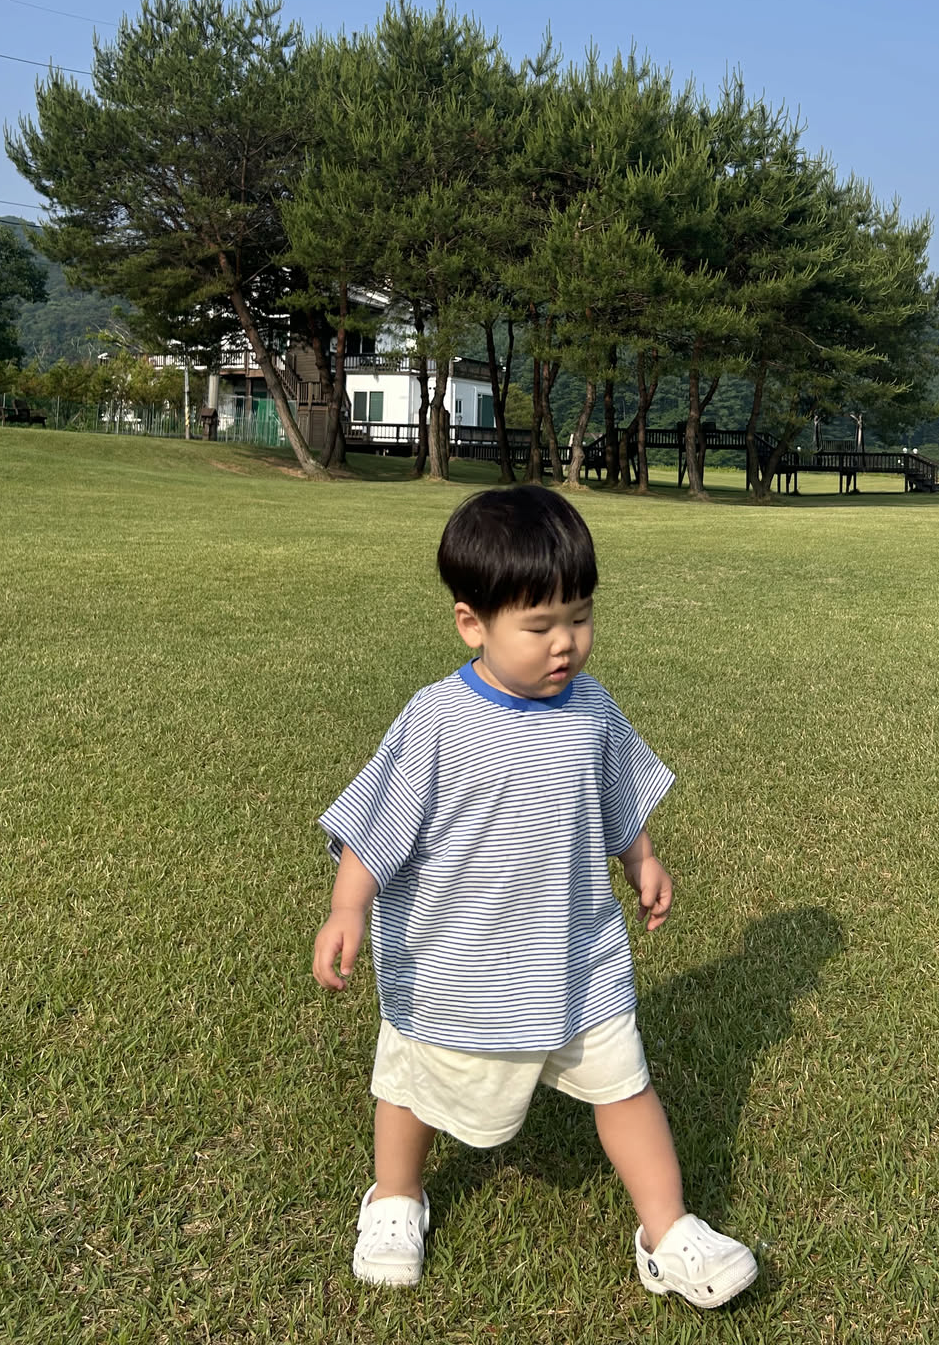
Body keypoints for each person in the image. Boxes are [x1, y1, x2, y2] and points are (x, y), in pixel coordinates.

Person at [313, 484, 758, 1308]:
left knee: (625, 1084)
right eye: (541, 625)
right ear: (472, 624)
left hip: (577, 961)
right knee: (413, 1082)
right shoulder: (437, 720)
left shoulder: (592, 710)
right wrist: (349, 907)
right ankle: (395, 1197)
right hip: (459, 964)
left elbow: (615, 799)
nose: (567, 645)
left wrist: (642, 857)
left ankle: (667, 1230)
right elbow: (377, 825)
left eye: (580, 618)